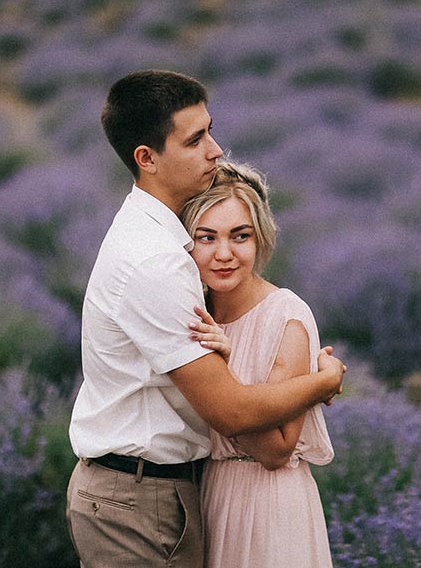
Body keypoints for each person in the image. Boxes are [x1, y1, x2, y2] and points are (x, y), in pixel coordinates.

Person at [66, 70, 345, 568]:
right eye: (195, 140)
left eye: (210, 130)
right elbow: (232, 413)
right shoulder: (156, 261)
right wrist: (323, 382)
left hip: (163, 492)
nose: (216, 150)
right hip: (138, 497)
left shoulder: (160, 246)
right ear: (146, 159)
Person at [180, 160, 334, 568]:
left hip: (270, 505)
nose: (224, 254)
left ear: (260, 239)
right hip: (210, 497)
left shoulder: (286, 316)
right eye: (206, 237)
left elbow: (276, 451)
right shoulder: (190, 311)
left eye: (240, 236)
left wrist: (222, 370)